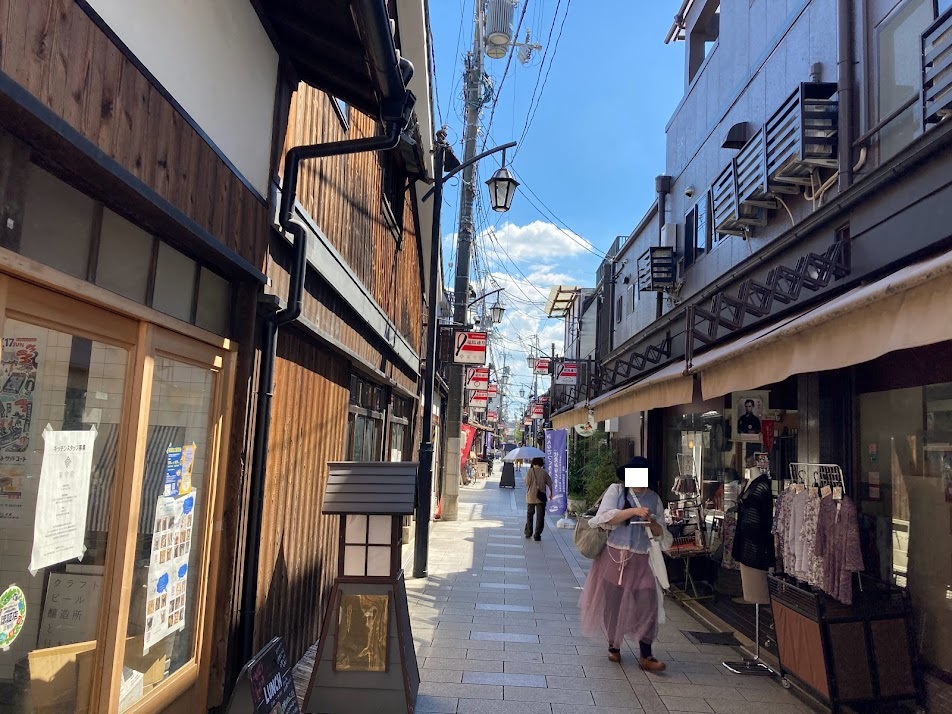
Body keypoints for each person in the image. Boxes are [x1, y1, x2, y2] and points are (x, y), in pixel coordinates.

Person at [579, 456, 672, 670]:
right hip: (614, 556)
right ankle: (614, 646)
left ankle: (646, 654)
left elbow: (662, 534)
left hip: (643, 558)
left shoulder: (654, 498)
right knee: (613, 603)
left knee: (648, 603)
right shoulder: (617, 491)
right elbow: (603, 518)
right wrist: (633, 512)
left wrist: (654, 524)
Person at [524, 457, 553, 541]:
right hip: (541, 497)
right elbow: (550, 484)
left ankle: (528, 532)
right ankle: (537, 535)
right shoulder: (544, 472)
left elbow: (526, 483)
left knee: (530, 515)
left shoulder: (530, 471)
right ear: (541, 463)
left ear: (533, 463)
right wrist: (551, 494)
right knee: (540, 516)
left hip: (531, 496)